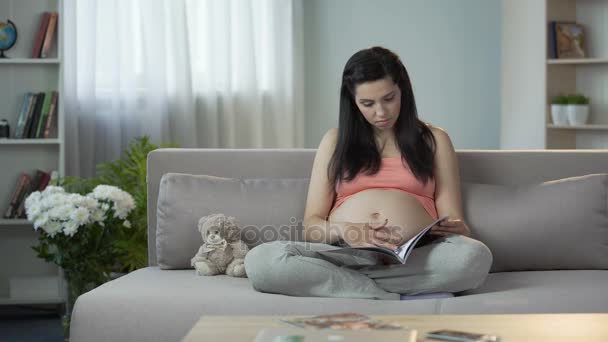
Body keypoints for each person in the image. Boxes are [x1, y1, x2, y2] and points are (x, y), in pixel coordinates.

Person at [244, 46, 492, 300]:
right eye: (367, 103)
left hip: (414, 258)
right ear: (352, 101)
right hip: (344, 256)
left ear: (403, 90)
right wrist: (346, 230)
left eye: (389, 98)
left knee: (474, 257)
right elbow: (312, 226)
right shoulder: (335, 141)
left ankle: (348, 288)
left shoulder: (435, 140)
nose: (381, 112)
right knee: (261, 261)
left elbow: (455, 223)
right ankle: (382, 291)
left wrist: (456, 229)